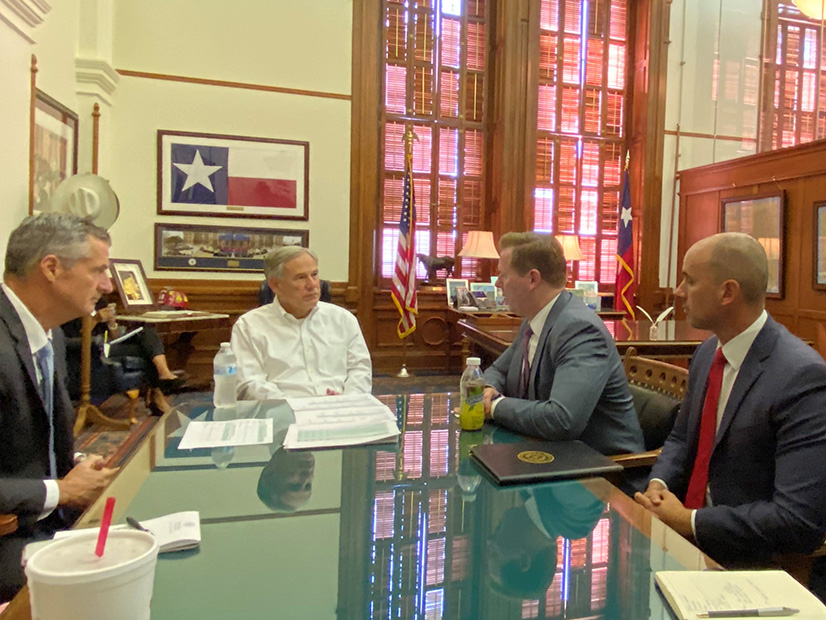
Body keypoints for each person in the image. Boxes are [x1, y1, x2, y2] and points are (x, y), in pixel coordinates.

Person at [634, 233, 826, 567]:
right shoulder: (709, 352)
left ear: (727, 292)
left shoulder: (802, 377)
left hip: (748, 559)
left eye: (689, 281)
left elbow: (797, 520)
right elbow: (682, 438)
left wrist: (688, 521)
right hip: (681, 540)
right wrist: (658, 484)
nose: (678, 292)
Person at [0, 213, 119, 602]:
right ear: (51, 268)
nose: (108, 285)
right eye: (98, 270)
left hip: (48, 521)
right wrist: (60, 490)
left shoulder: (47, 331)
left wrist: (76, 467)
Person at [481, 232, 644, 456]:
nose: (498, 283)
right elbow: (499, 370)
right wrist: (489, 389)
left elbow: (562, 419)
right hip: (548, 452)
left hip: (602, 470)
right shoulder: (533, 319)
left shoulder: (579, 330)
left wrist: (495, 407)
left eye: (503, 275)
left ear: (532, 279)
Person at [232, 246, 372, 399]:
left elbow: (360, 369)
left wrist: (349, 400)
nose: (312, 285)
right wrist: (294, 407)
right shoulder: (249, 326)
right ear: (275, 285)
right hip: (281, 415)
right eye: (301, 278)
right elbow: (249, 383)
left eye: (315, 275)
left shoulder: (343, 319)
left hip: (339, 412)